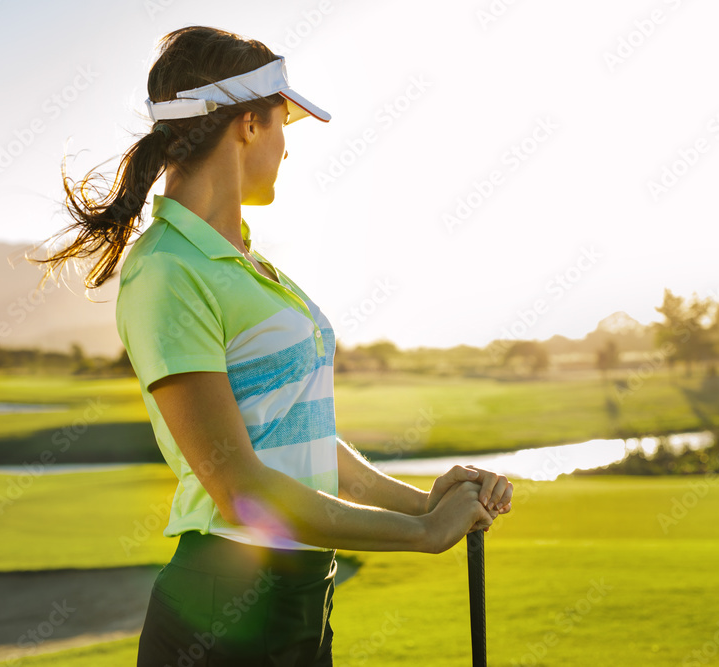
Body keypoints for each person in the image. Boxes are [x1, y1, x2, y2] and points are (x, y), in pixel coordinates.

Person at [32, 26, 514, 666]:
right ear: (249, 125)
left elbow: (301, 435)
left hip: (300, 599)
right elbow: (240, 488)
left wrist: (424, 501)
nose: (288, 148)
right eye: (285, 120)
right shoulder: (169, 269)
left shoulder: (249, 264)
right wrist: (422, 533)